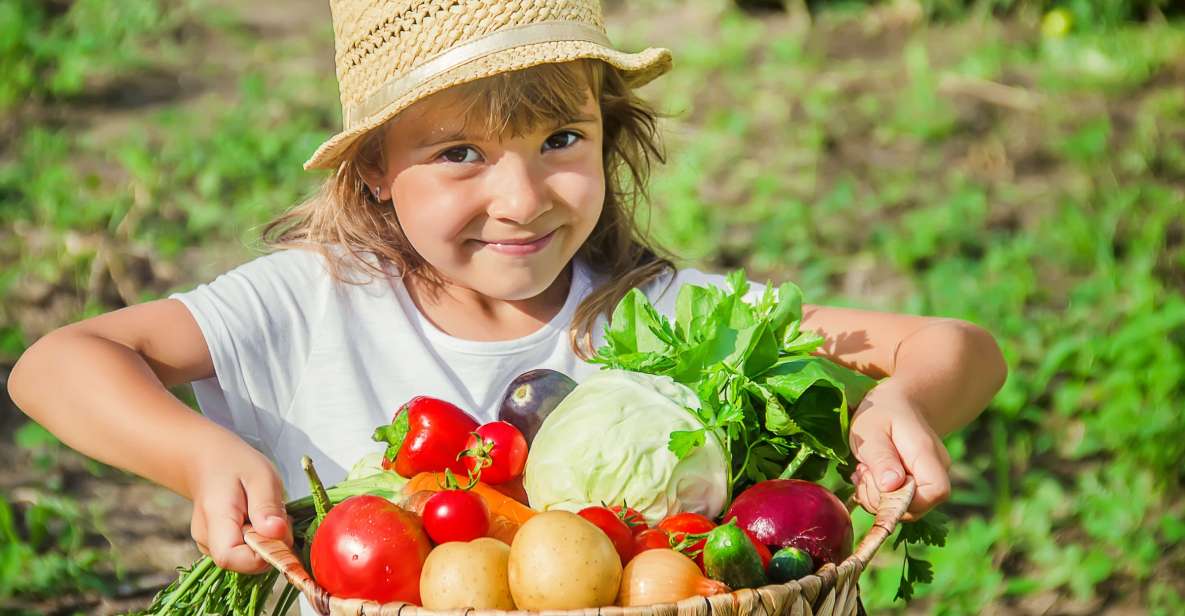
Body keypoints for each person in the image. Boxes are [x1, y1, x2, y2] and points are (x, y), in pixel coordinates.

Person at [8, 0, 1006, 589]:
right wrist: (200, 453)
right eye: (459, 155)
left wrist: (901, 401)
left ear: (610, 135)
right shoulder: (311, 305)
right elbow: (56, 364)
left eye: (561, 139)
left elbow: (952, 343)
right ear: (371, 176)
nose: (521, 198)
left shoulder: (658, 315)